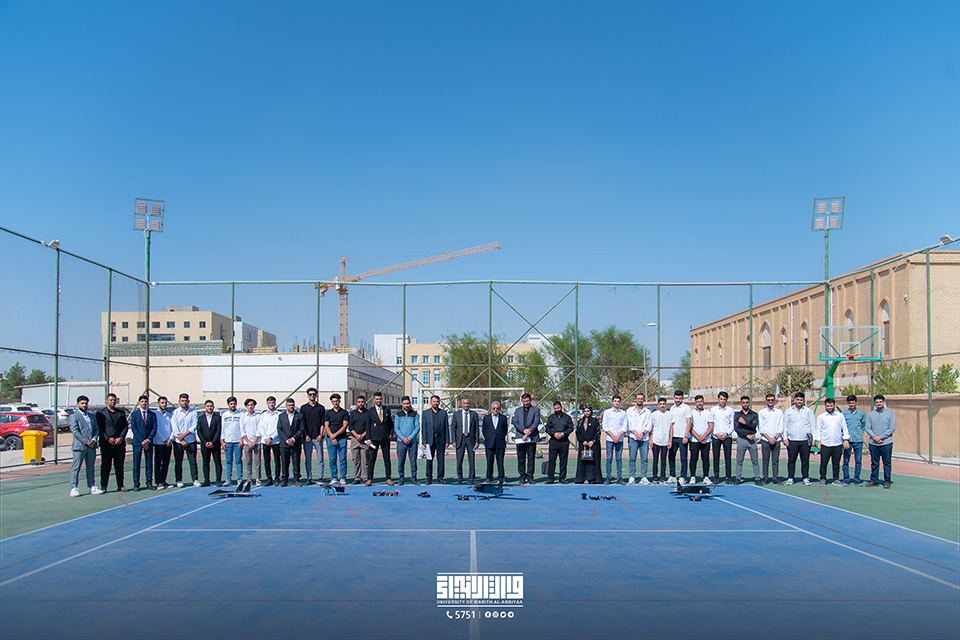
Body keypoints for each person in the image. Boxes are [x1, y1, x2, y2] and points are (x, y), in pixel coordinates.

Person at [68, 395, 103, 497]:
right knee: (76, 467)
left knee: (90, 467)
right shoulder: (74, 416)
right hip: (79, 447)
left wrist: (93, 440)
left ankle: (92, 486)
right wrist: (86, 441)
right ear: (78, 404)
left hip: (91, 447)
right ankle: (74, 487)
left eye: (86, 403)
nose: (84, 405)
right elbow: (75, 431)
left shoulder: (92, 416)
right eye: (82, 403)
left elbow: (96, 429)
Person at [96, 392, 128, 492]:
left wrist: (121, 438)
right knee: (106, 465)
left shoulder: (121, 413)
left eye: (114, 400)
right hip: (106, 445)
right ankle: (104, 486)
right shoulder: (100, 413)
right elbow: (99, 428)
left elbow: (125, 427)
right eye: (110, 400)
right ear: (106, 401)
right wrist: (107, 438)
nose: (112, 402)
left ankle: (120, 485)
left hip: (119, 444)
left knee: (119, 465)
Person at [815, 398, 850, 486]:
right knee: (823, 463)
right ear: (825, 406)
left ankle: (836, 479)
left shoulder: (840, 416)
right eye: (827, 406)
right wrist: (818, 441)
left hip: (837, 444)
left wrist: (846, 439)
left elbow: (844, 427)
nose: (829, 407)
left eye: (831, 405)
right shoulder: (821, 417)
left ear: (834, 405)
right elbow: (818, 429)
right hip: (825, 444)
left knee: (836, 463)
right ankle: (823, 478)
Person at [783, 392, 815, 486]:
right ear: (794, 400)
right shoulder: (789, 412)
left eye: (801, 400)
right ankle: (790, 477)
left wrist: (814, 438)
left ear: (803, 400)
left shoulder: (808, 411)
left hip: (804, 440)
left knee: (805, 460)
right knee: (791, 460)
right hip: (792, 440)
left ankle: (805, 477)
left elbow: (813, 425)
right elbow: (785, 426)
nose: (799, 401)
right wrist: (785, 438)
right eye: (798, 400)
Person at [865, 394, 896, 489]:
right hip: (873, 443)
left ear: (883, 402)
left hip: (886, 443)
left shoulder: (890, 414)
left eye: (880, 402)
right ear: (875, 403)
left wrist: (881, 437)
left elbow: (892, 428)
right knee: (874, 462)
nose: (879, 403)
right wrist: (875, 437)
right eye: (877, 402)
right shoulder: (870, 414)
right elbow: (868, 428)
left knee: (886, 462)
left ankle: (887, 481)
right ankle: (874, 480)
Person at [128, 394, 156, 491]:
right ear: (139, 403)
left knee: (149, 463)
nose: (144, 403)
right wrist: (141, 441)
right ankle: (136, 483)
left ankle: (149, 482)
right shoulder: (134, 414)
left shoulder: (152, 414)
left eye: (145, 401)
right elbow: (134, 428)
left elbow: (154, 428)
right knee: (136, 463)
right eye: (142, 401)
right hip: (137, 442)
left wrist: (148, 440)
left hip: (148, 442)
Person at [171, 393, 200, 488]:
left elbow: (194, 426)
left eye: (186, 401)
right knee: (178, 461)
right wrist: (181, 439)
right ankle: (179, 480)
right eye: (182, 401)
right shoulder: (175, 413)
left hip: (190, 440)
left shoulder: (193, 412)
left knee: (193, 461)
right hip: (178, 442)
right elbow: (174, 427)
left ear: (188, 401)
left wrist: (184, 435)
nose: (184, 402)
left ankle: (195, 479)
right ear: (179, 402)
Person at [512, 393, 541, 485]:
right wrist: (523, 431)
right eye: (524, 401)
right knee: (521, 458)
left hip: (531, 438)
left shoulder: (536, 410)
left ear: (530, 400)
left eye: (527, 401)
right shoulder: (517, 411)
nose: (526, 403)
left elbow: (536, 422)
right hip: (521, 438)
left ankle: (530, 477)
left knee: (531, 459)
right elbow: (515, 422)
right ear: (522, 401)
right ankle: (522, 476)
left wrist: (529, 432)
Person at [450, 396, 480, 484]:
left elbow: (476, 429)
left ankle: (471, 478)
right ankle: (460, 478)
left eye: (467, 403)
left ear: (469, 404)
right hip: (460, 439)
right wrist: (453, 440)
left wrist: (477, 441)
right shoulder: (456, 414)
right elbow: (453, 428)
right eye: (464, 403)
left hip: (470, 439)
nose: (466, 405)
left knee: (471, 459)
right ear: (462, 404)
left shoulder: (474, 414)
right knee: (459, 460)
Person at [366, 391, 393, 486]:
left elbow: (390, 423)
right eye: (377, 399)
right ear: (374, 400)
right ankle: (369, 479)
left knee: (387, 458)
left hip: (385, 438)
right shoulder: (370, 411)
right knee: (372, 459)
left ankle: (388, 478)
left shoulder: (387, 410)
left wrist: (390, 433)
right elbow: (368, 426)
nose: (379, 401)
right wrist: (368, 439)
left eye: (380, 399)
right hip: (374, 439)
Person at [300, 388, 326, 485]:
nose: (312, 396)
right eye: (310, 394)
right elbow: (302, 424)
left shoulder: (321, 408)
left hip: (317, 437)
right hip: (307, 438)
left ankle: (320, 477)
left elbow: (322, 423)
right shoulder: (303, 408)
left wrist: (320, 434)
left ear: (316, 395)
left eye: (314, 394)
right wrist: (305, 435)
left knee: (320, 458)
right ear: (307, 395)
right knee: (308, 459)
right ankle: (309, 478)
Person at [421, 394, 449, 485]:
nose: (435, 403)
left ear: (439, 403)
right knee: (429, 459)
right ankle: (429, 478)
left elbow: (446, 428)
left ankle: (440, 478)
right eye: (434, 401)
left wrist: (447, 440)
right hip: (430, 440)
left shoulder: (443, 413)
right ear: (430, 402)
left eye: (437, 402)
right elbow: (424, 427)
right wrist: (424, 441)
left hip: (441, 440)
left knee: (441, 460)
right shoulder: (425, 413)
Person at [545, 400, 574, 484]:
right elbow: (547, 428)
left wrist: (563, 434)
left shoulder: (567, 418)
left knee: (563, 461)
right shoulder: (551, 417)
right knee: (551, 460)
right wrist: (554, 434)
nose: (557, 410)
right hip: (553, 442)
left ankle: (562, 478)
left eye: (558, 408)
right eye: (555, 408)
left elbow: (571, 428)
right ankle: (550, 478)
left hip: (564, 442)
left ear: (561, 407)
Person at [626, 393, 653, 485]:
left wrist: (642, 433)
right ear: (635, 400)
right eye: (638, 398)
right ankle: (632, 477)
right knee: (632, 458)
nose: (640, 400)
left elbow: (649, 425)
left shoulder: (648, 412)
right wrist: (636, 433)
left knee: (644, 459)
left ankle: (643, 477)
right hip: (633, 438)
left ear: (643, 400)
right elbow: (628, 425)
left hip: (644, 439)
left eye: (641, 398)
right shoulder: (629, 411)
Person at [277, 397, 304, 487]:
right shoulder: (281, 416)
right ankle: (284, 480)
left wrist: (293, 439)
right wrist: (286, 440)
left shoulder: (299, 416)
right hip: (284, 444)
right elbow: (279, 429)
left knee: (296, 462)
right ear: (286, 406)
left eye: (292, 405)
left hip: (295, 443)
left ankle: (296, 479)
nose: (291, 407)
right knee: (284, 462)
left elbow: (301, 429)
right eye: (289, 405)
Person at [601, 395, 628, 485]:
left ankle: (619, 477)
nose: (616, 403)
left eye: (618, 401)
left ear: (620, 402)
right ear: (612, 402)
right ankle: (608, 477)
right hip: (610, 439)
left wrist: (618, 436)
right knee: (609, 458)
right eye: (615, 401)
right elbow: (605, 426)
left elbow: (624, 426)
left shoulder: (623, 413)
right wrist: (613, 436)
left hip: (620, 439)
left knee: (619, 458)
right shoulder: (607, 412)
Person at [757, 394, 784, 485]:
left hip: (777, 439)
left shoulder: (779, 412)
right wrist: (769, 438)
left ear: (774, 401)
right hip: (765, 440)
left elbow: (781, 426)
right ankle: (765, 478)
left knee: (775, 460)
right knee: (765, 460)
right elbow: (761, 427)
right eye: (769, 400)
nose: (770, 401)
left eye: (772, 400)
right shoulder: (762, 412)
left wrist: (775, 438)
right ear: (766, 401)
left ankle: (775, 478)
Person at [324, 393, 350, 486]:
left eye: (337, 401)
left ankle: (342, 477)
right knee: (332, 460)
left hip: (341, 439)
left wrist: (335, 435)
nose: (335, 403)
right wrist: (331, 436)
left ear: (340, 401)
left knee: (342, 459)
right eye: (334, 401)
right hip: (331, 440)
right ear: (331, 402)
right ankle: (334, 477)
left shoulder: (344, 413)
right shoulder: (328, 413)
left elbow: (344, 425)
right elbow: (326, 425)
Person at [734, 395, 761, 485]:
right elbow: (737, 428)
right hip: (742, 439)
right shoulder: (737, 415)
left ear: (749, 403)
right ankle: (738, 478)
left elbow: (753, 427)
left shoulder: (754, 415)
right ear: (741, 403)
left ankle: (757, 478)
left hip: (752, 439)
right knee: (739, 460)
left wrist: (745, 423)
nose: (745, 404)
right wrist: (746, 435)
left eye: (746, 402)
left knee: (755, 460)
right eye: (743, 403)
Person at [711, 392, 735, 484]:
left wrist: (726, 433)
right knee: (716, 457)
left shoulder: (730, 410)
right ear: (718, 399)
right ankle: (716, 477)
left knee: (727, 458)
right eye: (721, 399)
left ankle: (728, 477)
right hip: (716, 437)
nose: (723, 401)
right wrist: (716, 434)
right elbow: (711, 423)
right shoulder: (713, 410)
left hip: (727, 437)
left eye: (724, 399)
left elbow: (732, 424)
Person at [841, 395, 866, 485]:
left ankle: (856, 478)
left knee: (858, 460)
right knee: (846, 460)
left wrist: (859, 432)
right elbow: (842, 426)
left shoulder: (861, 413)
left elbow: (863, 425)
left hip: (858, 440)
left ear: (856, 403)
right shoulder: (844, 413)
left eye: (853, 403)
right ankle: (846, 478)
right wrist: (844, 438)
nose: (851, 405)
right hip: (848, 441)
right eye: (850, 403)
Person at [197, 400, 223, 487]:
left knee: (217, 462)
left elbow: (218, 430)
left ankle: (218, 480)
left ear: (213, 407)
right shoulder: (201, 418)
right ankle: (206, 480)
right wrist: (205, 442)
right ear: (205, 407)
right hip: (205, 445)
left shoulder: (217, 418)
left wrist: (213, 442)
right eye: (208, 406)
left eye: (211, 406)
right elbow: (199, 431)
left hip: (215, 444)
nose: (209, 407)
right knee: (205, 462)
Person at [394, 396, 419, 486]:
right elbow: (396, 428)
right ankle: (401, 478)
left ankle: (414, 478)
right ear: (402, 404)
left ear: (410, 403)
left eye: (408, 403)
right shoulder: (398, 415)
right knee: (401, 461)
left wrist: (410, 438)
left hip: (412, 442)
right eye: (404, 404)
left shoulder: (414, 414)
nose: (406, 405)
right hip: (401, 442)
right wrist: (403, 438)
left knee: (413, 461)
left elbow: (417, 427)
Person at [668, 390, 692, 484]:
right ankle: (672, 475)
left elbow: (689, 423)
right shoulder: (672, 408)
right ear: (674, 398)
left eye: (680, 398)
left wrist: (686, 435)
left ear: (682, 398)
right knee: (671, 456)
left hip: (683, 437)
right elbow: (671, 424)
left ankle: (683, 476)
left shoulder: (686, 408)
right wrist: (670, 439)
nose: (678, 400)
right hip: (673, 437)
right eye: (677, 398)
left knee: (683, 458)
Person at [688, 395, 714, 484]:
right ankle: (692, 477)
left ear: (703, 402)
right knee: (694, 458)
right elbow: (690, 427)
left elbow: (711, 426)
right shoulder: (691, 413)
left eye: (701, 401)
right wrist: (698, 437)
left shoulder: (708, 413)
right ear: (695, 402)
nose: (699, 403)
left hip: (706, 440)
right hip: (694, 440)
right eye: (698, 401)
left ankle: (706, 477)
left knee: (705, 458)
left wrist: (704, 437)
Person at [574, 405, 602, 484]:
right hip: (583, 444)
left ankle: (593, 478)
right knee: (583, 461)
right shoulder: (580, 421)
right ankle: (582, 478)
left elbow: (598, 432)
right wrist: (582, 441)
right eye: (585, 411)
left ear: (591, 411)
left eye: (588, 411)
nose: (587, 413)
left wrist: (593, 441)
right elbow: (578, 432)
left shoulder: (595, 421)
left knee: (593, 461)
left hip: (593, 445)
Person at [482, 401, 508, 484]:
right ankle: (489, 477)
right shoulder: (486, 418)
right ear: (491, 409)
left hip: (500, 443)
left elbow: (505, 430)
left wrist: (500, 437)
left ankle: (501, 478)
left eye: (497, 408)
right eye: (494, 408)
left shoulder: (503, 418)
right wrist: (489, 438)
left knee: (500, 461)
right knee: (489, 461)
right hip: (489, 443)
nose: (495, 410)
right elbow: (484, 430)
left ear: (499, 409)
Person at [258, 396, 281, 486]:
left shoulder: (278, 415)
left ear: (275, 403)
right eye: (269, 403)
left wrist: (271, 438)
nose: (271, 404)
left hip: (275, 441)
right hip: (265, 441)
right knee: (267, 461)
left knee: (277, 460)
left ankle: (277, 478)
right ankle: (269, 478)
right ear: (267, 404)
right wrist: (266, 438)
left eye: (273, 403)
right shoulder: (263, 415)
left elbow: (279, 428)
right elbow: (261, 427)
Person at [220, 396, 243, 486]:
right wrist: (222, 441)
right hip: (228, 441)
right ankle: (228, 479)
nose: (233, 405)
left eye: (234, 404)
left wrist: (242, 439)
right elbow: (223, 428)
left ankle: (239, 479)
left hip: (238, 441)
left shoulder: (240, 414)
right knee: (228, 461)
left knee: (238, 460)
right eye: (231, 404)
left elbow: (242, 428)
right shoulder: (225, 415)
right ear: (228, 404)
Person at [153, 396, 175, 490]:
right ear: (158, 403)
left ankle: (163, 480)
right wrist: (163, 440)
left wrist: (170, 439)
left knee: (166, 463)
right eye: (162, 403)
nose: (164, 404)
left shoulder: (169, 415)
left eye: (165, 403)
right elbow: (155, 429)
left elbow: (173, 428)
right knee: (158, 462)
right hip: (159, 442)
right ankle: (158, 482)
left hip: (168, 443)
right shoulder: (155, 414)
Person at [348, 395, 370, 485]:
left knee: (365, 460)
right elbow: (350, 426)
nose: (361, 403)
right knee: (356, 460)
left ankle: (365, 477)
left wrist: (362, 435)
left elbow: (369, 426)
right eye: (359, 402)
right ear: (357, 403)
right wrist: (356, 435)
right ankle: (357, 477)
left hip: (364, 440)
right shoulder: (353, 413)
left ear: (365, 402)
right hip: (355, 439)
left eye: (362, 402)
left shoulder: (368, 413)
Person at [239, 398, 260, 490]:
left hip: (257, 442)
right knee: (248, 462)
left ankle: (258, 479)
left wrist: (254, 441)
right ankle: (249, 479)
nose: (250, 407)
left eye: (252, 405)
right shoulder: (243, 417)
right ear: (246, 406)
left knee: (257, 462)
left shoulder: (258, 416)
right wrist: (248, 442)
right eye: (249, 405)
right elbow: (242, 430)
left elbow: (259, 429)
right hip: (247, 443)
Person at [649, 398, 672, 484]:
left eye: (663, 404)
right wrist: (650, 439)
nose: (662, 405)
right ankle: (655, 477)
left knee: (663, 461)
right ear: (658, 405)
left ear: (666, 405)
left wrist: (670, 440)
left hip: (665, 441)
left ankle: (663, 477)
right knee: (655, 460)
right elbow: (651, 428)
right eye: (661, 404)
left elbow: (671, 428)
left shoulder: (669, 414)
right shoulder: (654, 414)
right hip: (656, 441)